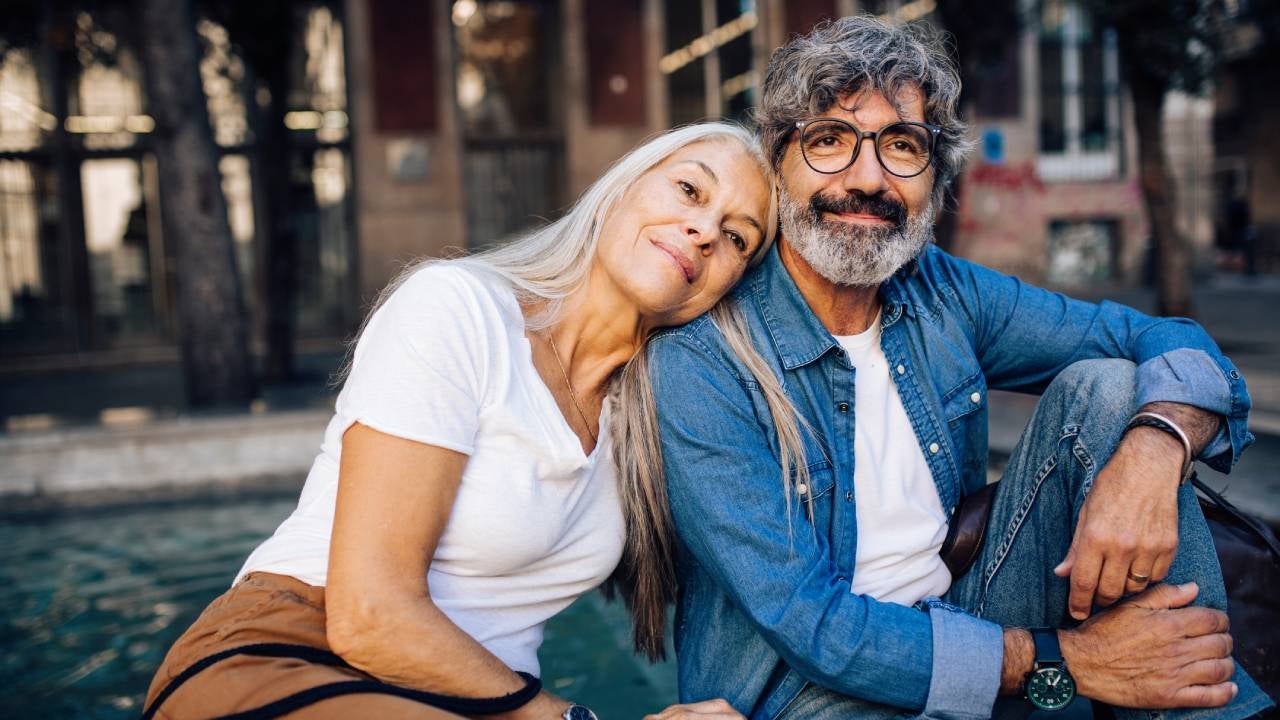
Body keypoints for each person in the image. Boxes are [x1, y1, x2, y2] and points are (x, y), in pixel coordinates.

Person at [642, 17, 1274, 720]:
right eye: (829, 142)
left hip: (968, 609)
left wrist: (1157, 448)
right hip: (806, 690)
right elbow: (809, 623)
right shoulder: (704, 357)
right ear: (778, 164)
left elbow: (1164, 339)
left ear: (934, 180)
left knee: (1114, 388)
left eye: (902, 148)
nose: (867, 179)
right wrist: (1076, 662)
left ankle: (1205, 704)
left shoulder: (940, 290)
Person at [141, 122, 774, 720]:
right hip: (292, 653)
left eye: (738, 236)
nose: (703, 230)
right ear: (622, 187)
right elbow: (370, 615)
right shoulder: (459, 308)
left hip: (470, 702)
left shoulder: (653, 421)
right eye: (689, 190)